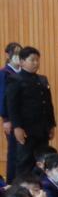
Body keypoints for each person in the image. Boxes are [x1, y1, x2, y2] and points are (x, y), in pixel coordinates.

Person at [6, 46, 57, 176]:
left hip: (42, 128)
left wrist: (51, 125)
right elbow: (12, 106)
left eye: (37, 60)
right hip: (26, 129)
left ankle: (40, 187)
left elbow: (48, 104)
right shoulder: (15, 79)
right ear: (22, 62)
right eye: (32, 60)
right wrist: (17, 127)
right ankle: (22, 188)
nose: (36, 63)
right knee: (25, 162)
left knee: (42, 161)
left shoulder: (42, 79)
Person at [0, 42, 22, 182]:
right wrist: (6, 119)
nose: (18, 56)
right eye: (16, 53)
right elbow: (3, 96)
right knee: (14, 152)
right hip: (11, 118)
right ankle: (11, 182)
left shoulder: (22, 72)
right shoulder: (4, 73)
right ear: (9, 55)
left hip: (23, 117)